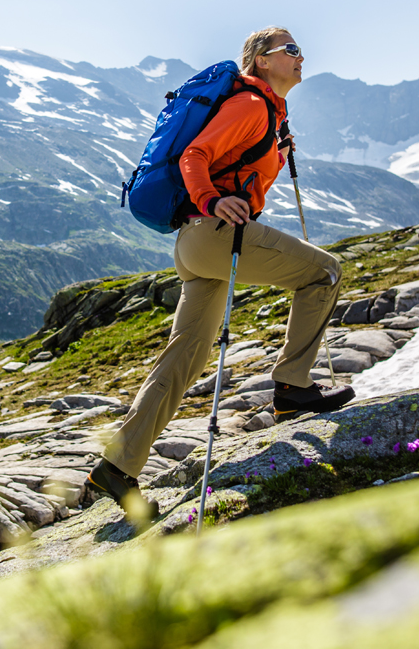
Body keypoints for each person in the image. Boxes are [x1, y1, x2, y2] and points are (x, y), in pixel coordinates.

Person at [87, 27, 355, 519]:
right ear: (261, 59)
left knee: (184, 358)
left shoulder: (266, 114)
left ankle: (116, 466)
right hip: (215, 233)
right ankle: (293, 387)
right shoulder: (252, 104)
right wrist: (212, 198)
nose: (301, 57)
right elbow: (195, 155)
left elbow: (237, 165)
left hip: (194, 246)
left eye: (300, 50)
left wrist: (276, 151)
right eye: (290, 50)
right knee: (325, 273)